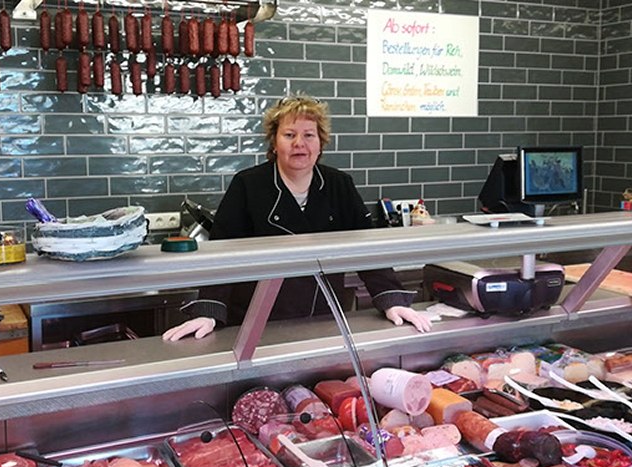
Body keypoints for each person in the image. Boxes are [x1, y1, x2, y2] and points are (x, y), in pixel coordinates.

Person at [162, 95, 432, 341]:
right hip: (256, 322)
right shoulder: (248, 185)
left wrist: (391, 300)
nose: (299, 143)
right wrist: (208, 311)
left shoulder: (339, 185)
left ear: (320, 142)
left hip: (323, 318)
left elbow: (365, 249)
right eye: (289, 134)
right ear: (274, 142)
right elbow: (222, 253)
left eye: (309, 135)